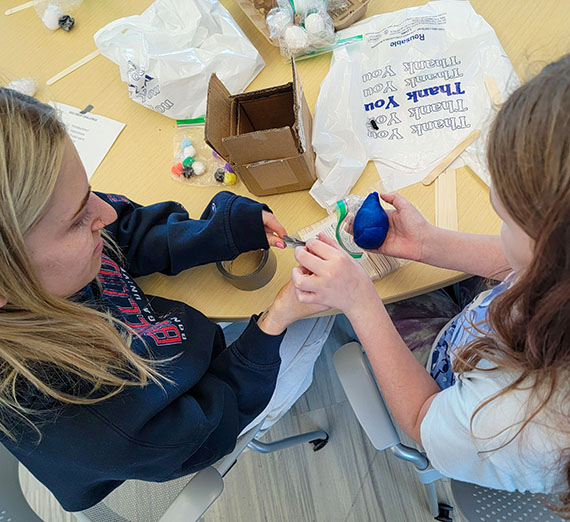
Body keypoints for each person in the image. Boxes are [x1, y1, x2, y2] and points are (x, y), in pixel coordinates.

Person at [0, 88, 332, 512]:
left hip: (166, 360)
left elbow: (126, 231)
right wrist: (273, 325)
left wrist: (224, 232)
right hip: (195, 426)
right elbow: (206, 428)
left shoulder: (45, 247)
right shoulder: (85, 414)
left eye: (90, 194)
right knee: (323, 313)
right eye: (78, 220)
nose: (106, 213)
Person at [292, 54, 570, 513]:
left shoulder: (518, 417)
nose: (498, 223)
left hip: (447, 396)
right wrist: (428, 246)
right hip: (492, 333)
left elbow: (423, 419)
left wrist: (361, 303)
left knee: (389, 308)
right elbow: (525, 264)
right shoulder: (553, 273)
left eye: (504, 219)